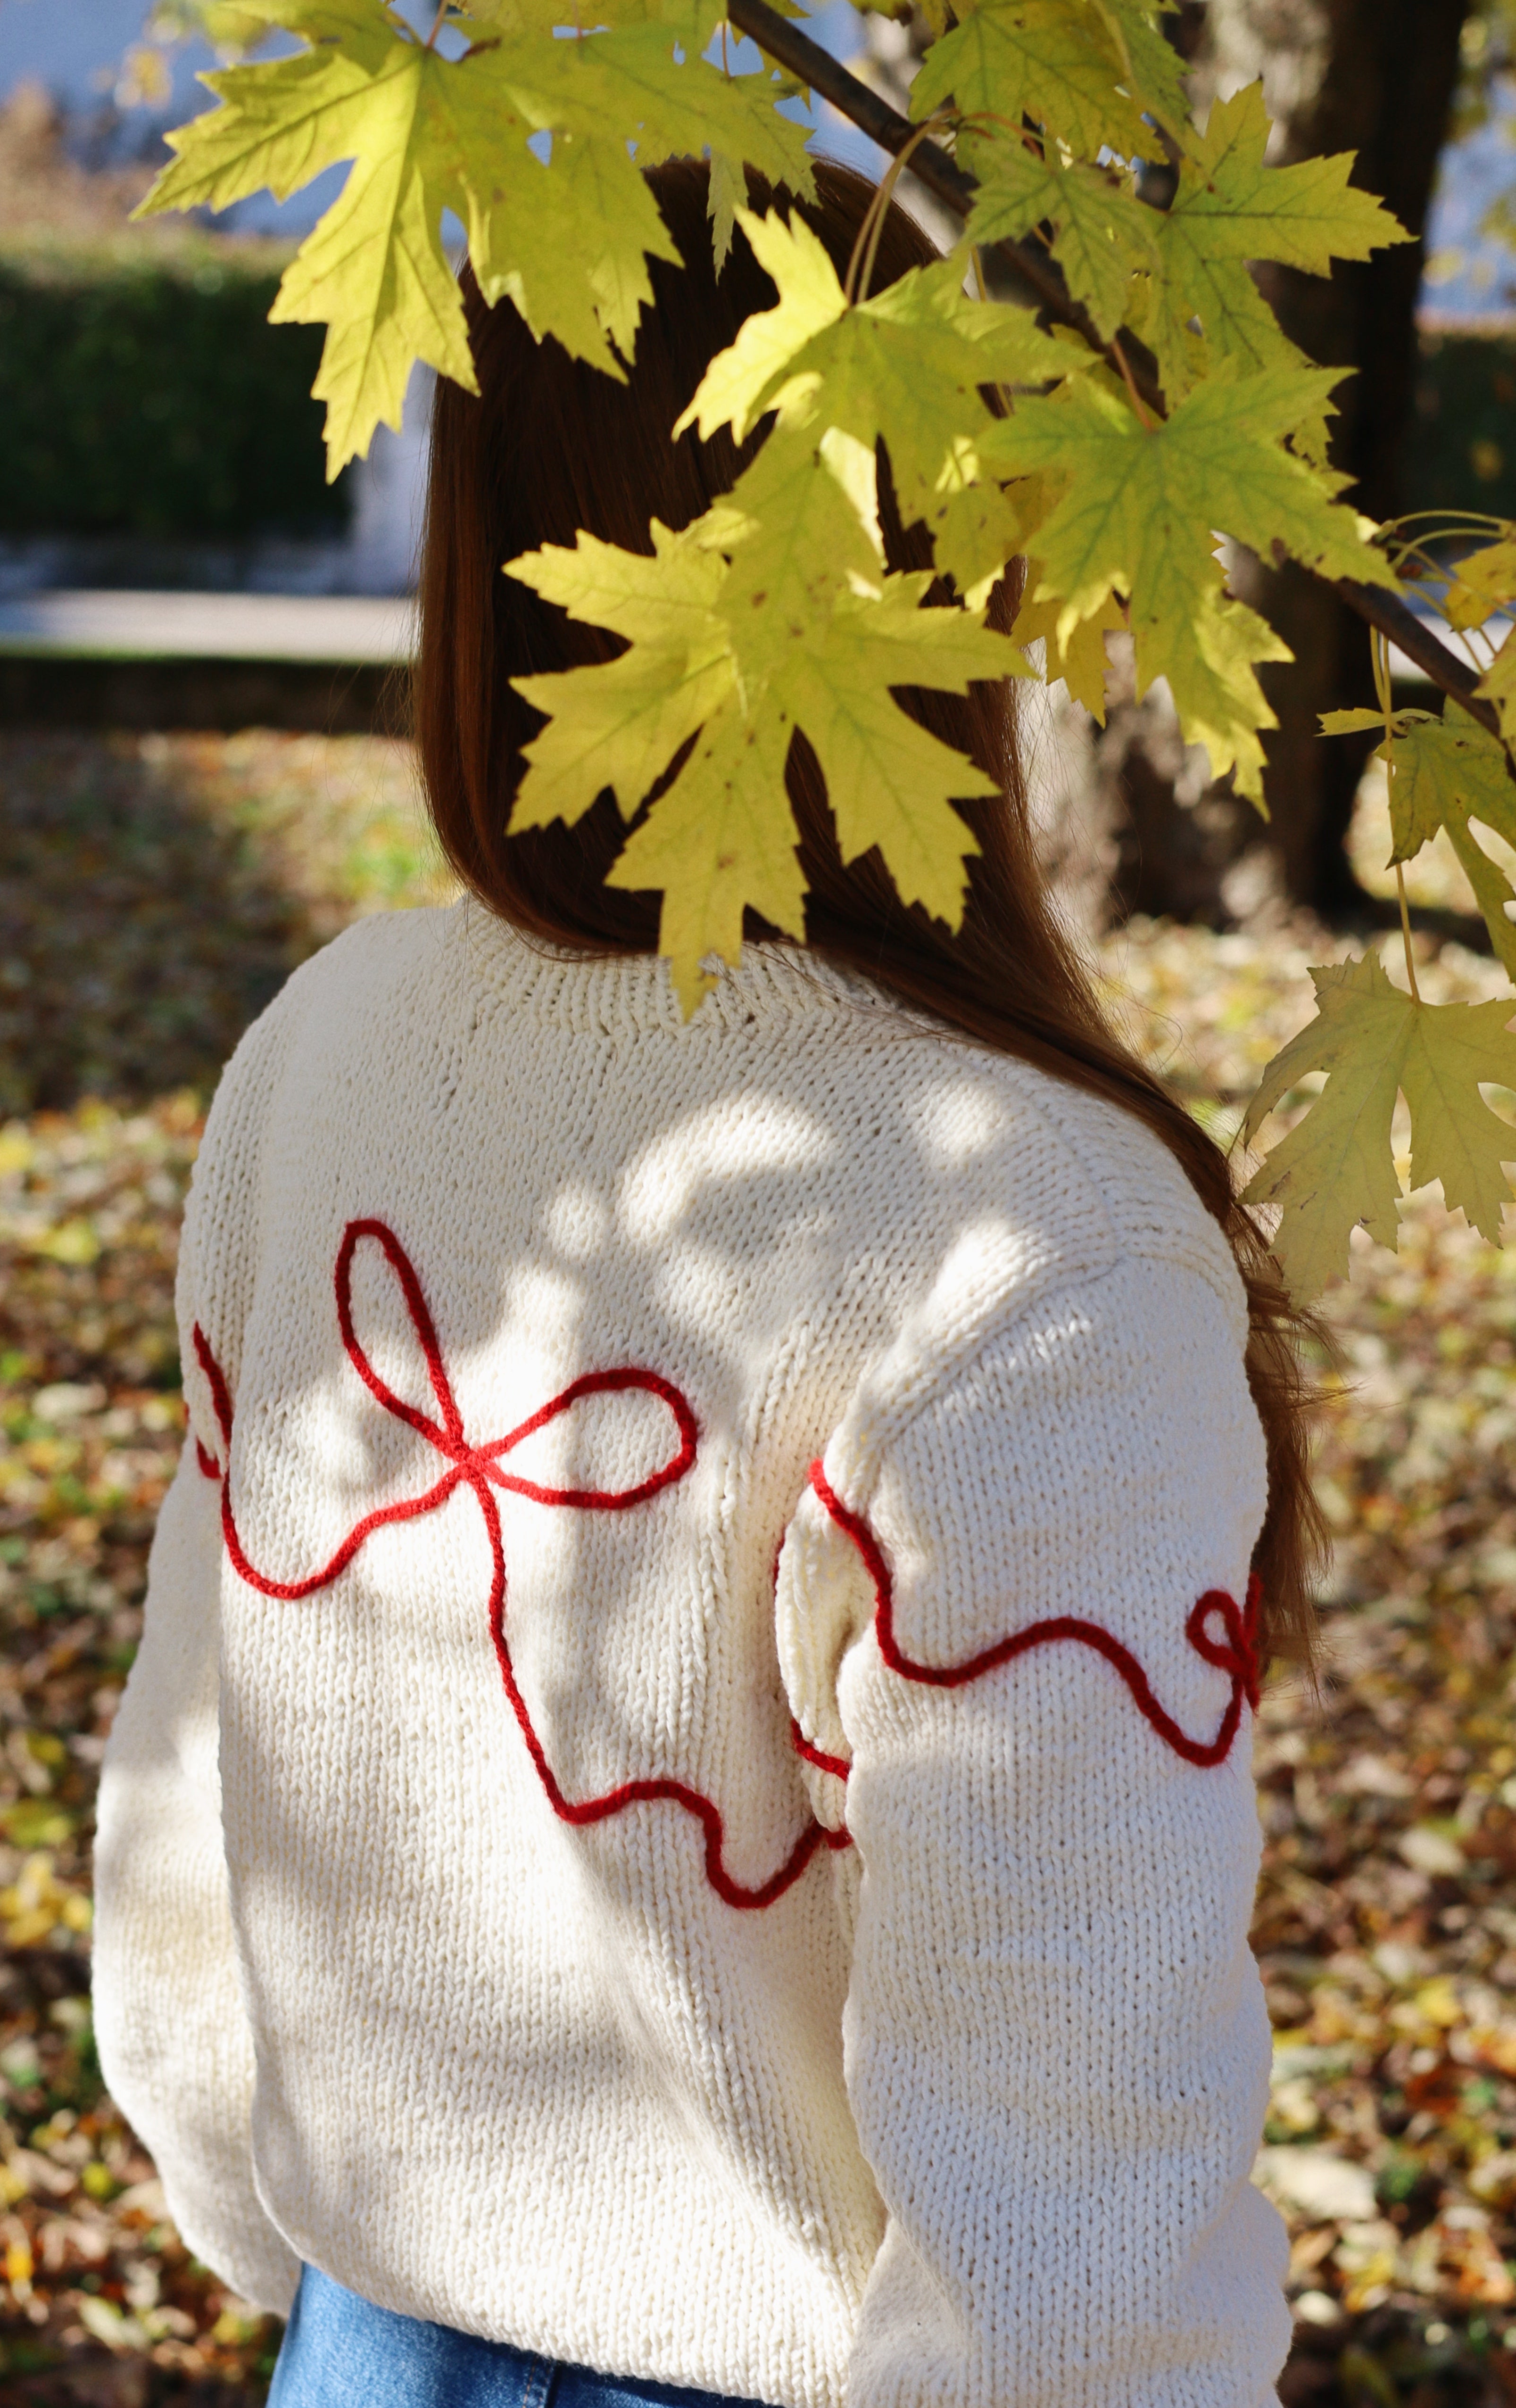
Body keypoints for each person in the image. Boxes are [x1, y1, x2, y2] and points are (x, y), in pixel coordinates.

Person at [93, 156, 1321, 2408]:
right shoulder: (1019, 1227)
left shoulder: (327, 1046)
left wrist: (285, 2229)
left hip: (368, 2342)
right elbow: (1074, 2208)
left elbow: (204, 1742)